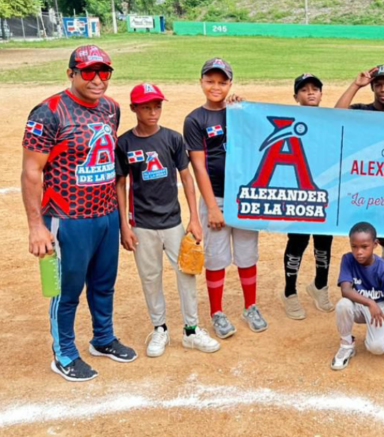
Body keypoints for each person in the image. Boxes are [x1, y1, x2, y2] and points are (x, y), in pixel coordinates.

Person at [22, 45, 136, 382]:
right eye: (88, 72)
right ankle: (65, 354)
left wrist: (121, 220)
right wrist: (35, 227)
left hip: (105, 215)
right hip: (66, 217)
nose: (98, 79)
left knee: (104, 284)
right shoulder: (49, 112)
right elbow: (31, 172)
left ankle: (103, 338)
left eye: (104, 72)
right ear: (71, 73)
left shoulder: (111, 109)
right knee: (67, 291)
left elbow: (113, 168)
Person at [115, 83, 220, 356]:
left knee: (186, 272)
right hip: (142, 225)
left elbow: (186, 177)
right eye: (146, 107)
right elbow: (121, 184)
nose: (153, 112)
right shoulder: (124, 143)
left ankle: (191, 330)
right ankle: (159, 328)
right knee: (150, 277)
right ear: (133, 108)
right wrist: (124, 225)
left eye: (157, 106)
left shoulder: (173, 138)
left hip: (173, 222)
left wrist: (194, 219)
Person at [184, 57, 267, 339]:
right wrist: (211, 207)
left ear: (230, 83)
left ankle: (250, 306)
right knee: (216, 258)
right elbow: (198, 166)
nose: (216, 87)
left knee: (247, 255)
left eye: (222, 82)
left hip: (244, 197)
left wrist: (243, 108)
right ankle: (217, 312)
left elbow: (261, 145)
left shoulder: (238, 111)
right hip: (216, 199)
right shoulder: (195, 119)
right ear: (201, 82)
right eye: (210, 81)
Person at [335, 65, 384, 308]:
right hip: (366, 185)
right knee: (369, 232)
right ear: (374, 87)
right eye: (379, 84)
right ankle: (370, 283)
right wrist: (357, 84)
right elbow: (337, 114)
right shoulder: (362, 110)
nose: (383, 88)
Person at [281, 73, 335, 320]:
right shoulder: (289, 120)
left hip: (325, 192)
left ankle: (319, 286)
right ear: (296, 97)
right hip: (299, 193)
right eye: (304, 90)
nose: (311, 92)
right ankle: (289, 291)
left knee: (324, 243)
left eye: (315, 89)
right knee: (298, 241)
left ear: (322, 94)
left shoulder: (331, 120)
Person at [331, 222, 384, 370]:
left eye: (364, 246)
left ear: (375, 244)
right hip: (361, 304)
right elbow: (346, 291)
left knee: (377, 348)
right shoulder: (348, 259)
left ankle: (375, 332)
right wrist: (369, 302)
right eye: (354, 246)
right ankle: (346, 344)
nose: (358, 252)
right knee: (343, 304)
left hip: (379, 308)